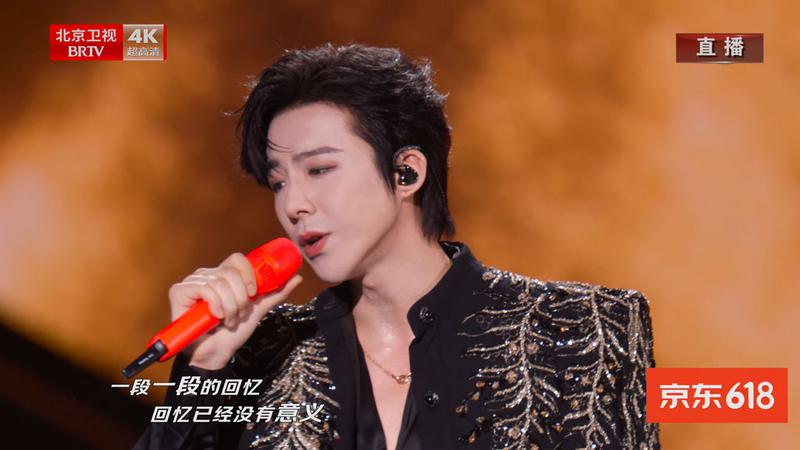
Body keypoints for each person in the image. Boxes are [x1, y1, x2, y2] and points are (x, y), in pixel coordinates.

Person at [134, 43, 660, 450]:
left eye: (319, 169)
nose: (292, 204)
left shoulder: (584, 329)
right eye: (278, 182)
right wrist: (204, 368)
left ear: (406, 171)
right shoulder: (259, 354)